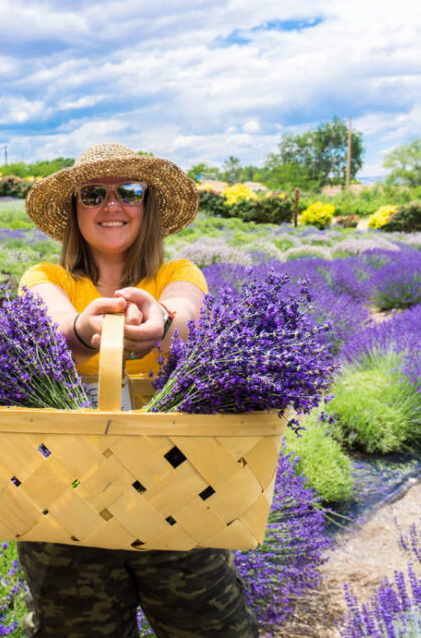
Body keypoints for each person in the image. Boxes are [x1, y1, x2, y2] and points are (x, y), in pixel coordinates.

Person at [18, 142, 259, 637]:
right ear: (74, 210)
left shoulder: (176, 274)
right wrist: (86, 330)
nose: (112, 204)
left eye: (129, 191)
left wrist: (162, 321)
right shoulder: (46, 277)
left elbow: (188, 310)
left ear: (147, 206)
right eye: (93, 194)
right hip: (68, 497)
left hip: (177, 488)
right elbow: (50, 321)